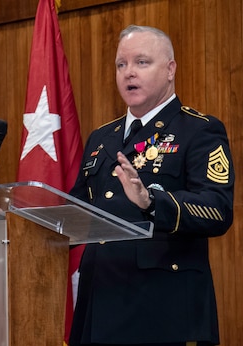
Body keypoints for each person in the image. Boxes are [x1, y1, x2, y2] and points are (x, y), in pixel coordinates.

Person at [68, 25, 234, 346]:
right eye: (121, 64)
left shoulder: (199, 131)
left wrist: (151, 202)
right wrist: (20, 225)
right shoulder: (101, 138)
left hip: (162, 313)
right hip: (99, 307)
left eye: (141, 62)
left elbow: (217, 209)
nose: (129, 73)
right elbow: (77, 213)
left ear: (170, 69)